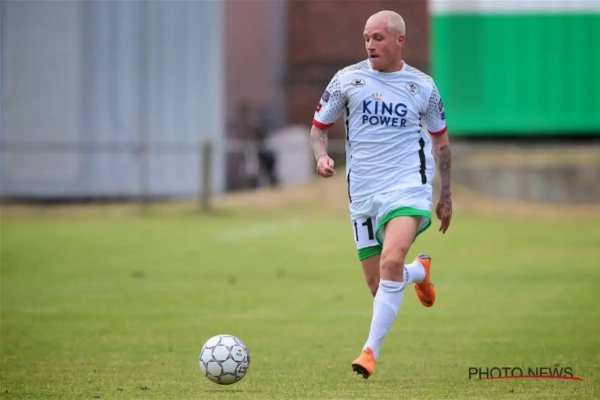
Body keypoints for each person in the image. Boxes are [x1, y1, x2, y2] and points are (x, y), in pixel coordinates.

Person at [309, 10, 452, 379]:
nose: (370, 45)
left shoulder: (422, 86)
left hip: (408, 186)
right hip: (363, 193)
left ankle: (369, 352)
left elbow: (440, 142)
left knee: (390, 261)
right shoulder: (347, 80)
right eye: (366, 38)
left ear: (399, 40)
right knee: (378, 285)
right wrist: (321, 156)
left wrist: (445, 195)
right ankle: (418, 271)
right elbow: (318, 129)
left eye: (378, 38)